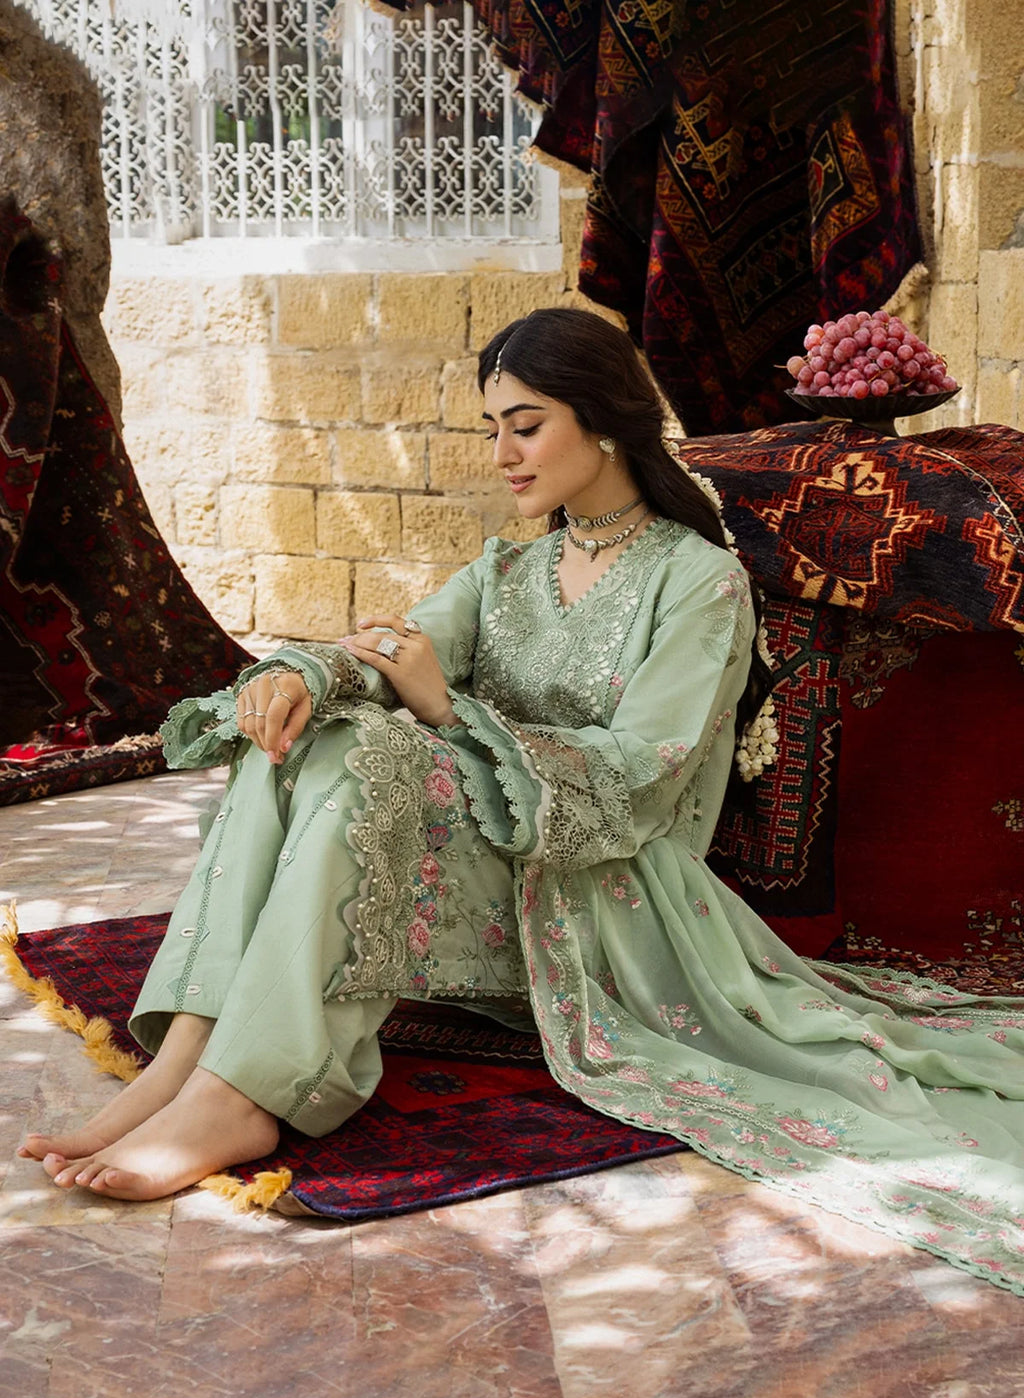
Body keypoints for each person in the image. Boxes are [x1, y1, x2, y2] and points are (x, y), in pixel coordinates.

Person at [18, 309, 1024, 1296]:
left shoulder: (701, 583)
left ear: (605, 421)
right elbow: (391, 646)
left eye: (526, 424)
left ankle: (248, 1092)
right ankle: (187, 1059)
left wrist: (444, 710)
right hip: (498, 867)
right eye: (492, 426)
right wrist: (305, 676)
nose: (502, 452)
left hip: (602, 895)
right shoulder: (509, 570)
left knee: (375, 754)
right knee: (305, 732)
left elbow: (637, 785)